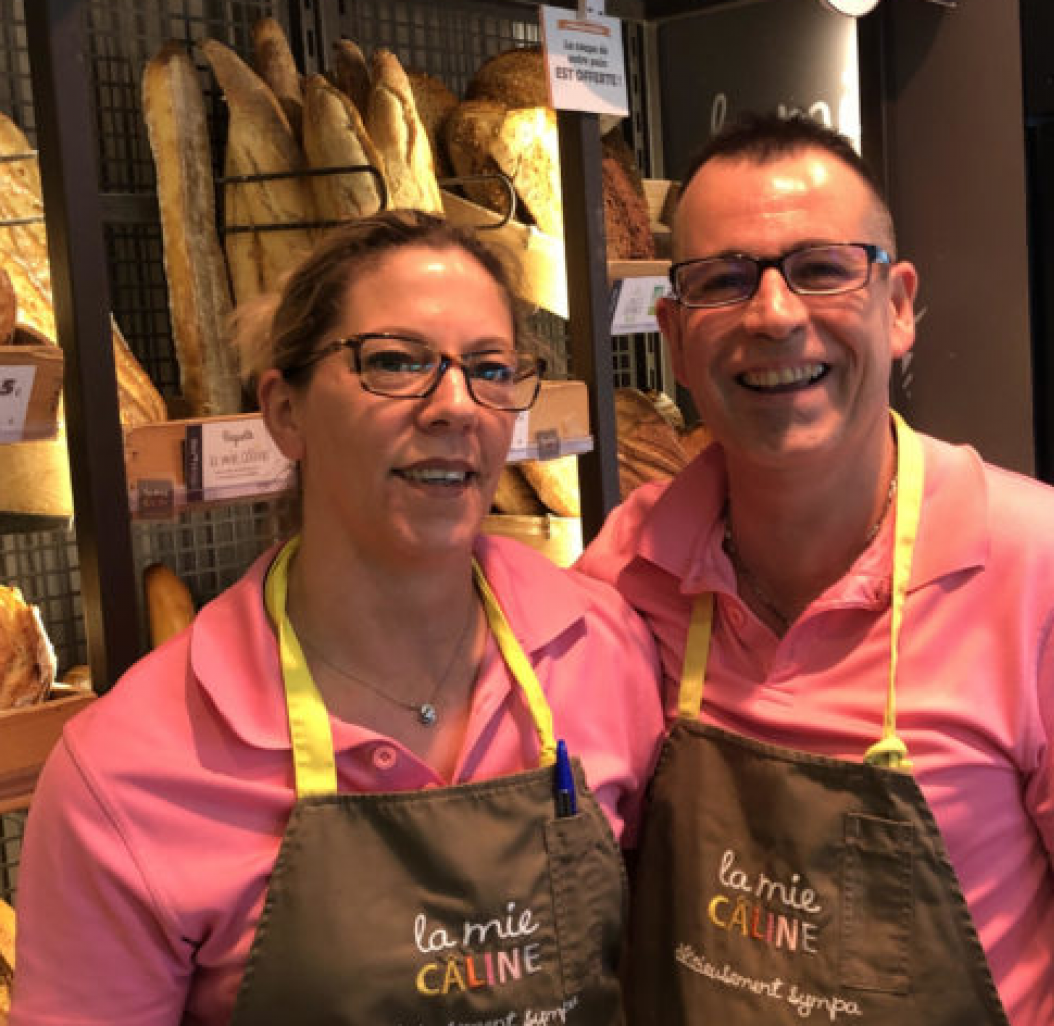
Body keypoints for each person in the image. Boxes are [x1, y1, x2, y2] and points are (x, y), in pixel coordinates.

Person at [576, 113, 1054, 1026]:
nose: (773, 313)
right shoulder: (620, 574)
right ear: (676, 339)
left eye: (821, 269)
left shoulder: (1044, 572)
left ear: (898, 306)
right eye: (724, 281)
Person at [11, 210, 663, 1026]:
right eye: (394, 362)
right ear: (285, 412)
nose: (456, 405)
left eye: (491, 369)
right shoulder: (126, 772)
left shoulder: (599, 649)